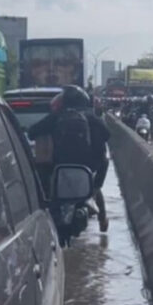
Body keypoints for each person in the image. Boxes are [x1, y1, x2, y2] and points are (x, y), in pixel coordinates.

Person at [28, 85, 111, 232]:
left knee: (45, 189)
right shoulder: (93, 118)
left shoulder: (57, 117)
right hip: (88, 170)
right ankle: (102, 220)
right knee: (95, 187)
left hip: (59, 169)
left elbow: (32, 132)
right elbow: (108, 135)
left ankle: (43, 223)